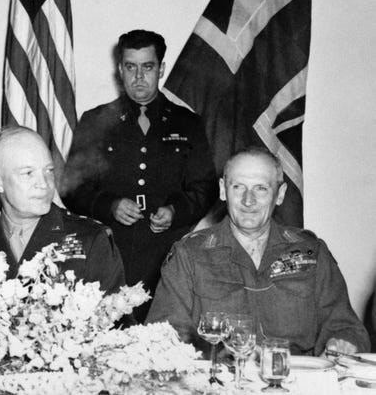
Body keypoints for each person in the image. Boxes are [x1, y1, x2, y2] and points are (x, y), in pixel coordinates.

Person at [146, 147, 369, 356]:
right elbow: (163, 335)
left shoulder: (312, 252)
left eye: (261, 188)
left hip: (297, 381)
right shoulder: (189, 255)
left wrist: (342, 342)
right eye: (238, 187)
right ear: (223, 190)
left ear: (280, 194)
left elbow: (345, 326)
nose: (248, 200)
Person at [62, 29, 217, 321]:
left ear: (161, 69)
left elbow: (206, 187)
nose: (138, 77)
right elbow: (72, 187)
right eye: (130, 67)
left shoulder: (188, 123)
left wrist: (176, 211)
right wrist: (110, 205)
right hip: (110, 253)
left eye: (147, 67)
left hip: (168, 255)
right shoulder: (96, 121)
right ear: (120, 70)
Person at [0, 126, 126, 294]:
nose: (44, 184)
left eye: (48, 171)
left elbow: (119, 324)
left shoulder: (91, 239)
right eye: (28, 173)